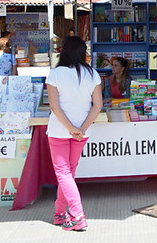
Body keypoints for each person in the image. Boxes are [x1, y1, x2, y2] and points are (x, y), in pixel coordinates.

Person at [46, 36, 102, 231]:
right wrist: (81, 129)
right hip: (82, 132)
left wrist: (71, 128)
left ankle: (77, 215)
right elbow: (98, 106)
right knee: (68, 173)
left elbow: (54, 106)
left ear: (63, 51)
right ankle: (60, 213)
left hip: (59, 130)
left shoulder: (55, 74)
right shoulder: (92, 74)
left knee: (63, 173)